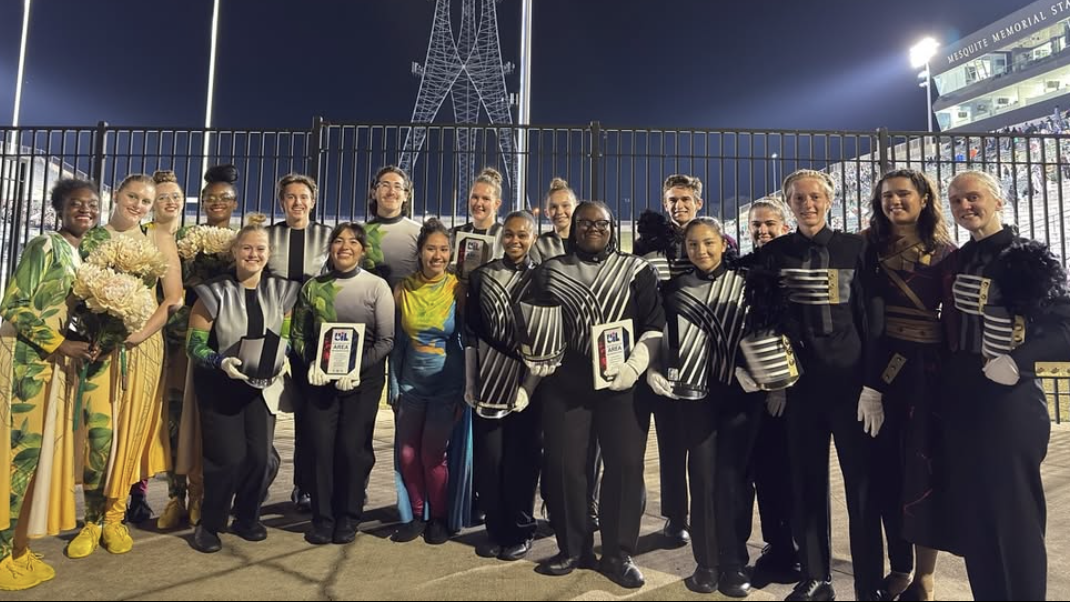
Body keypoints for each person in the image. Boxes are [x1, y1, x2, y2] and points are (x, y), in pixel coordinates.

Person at [744, 169, 884, 601]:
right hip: (800, 388)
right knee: (805, 483)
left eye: (814, 196)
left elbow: (872, 319)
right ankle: (817, 577)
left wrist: (873, 385)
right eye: (798, 198)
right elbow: (765, 320)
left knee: (862, 486)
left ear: (829, 199)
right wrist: (775, 383)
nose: (807, 204)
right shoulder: (776, 253)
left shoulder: (857, 248)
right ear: (789, 204)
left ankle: (868, 585)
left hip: (850, 386)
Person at [942, 170, 1070, 600]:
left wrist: (1019, 362)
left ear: (998, 201)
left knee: (1015, 518)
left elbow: (1064, 329)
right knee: (977, 521)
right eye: (956, 200)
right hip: (963, 403)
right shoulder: (958, 260)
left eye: (973, 197)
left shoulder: (1028, 257)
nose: (964, 207)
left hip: (1010, 404)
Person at [528, 201, 664, 589]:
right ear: (573, 227)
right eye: (584, 222)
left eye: (601, 223)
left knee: (624, 467)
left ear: (611, 227)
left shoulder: (636, 269)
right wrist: (536, 356)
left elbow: (654, 324)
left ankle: (619, 553)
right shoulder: (550, 271)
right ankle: (573, 548)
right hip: (566, 385)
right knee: (566, 466)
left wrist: (635, 367)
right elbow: (537, 324)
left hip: (621, 385)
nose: (593, 228)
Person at [67, 174, 182, 559]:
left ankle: (114, 518)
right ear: (116, 195)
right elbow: (76, 293)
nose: (138, 205)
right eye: (132, 196)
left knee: (130, 433)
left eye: (146, 201)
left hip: (144, 346)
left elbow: (173, 300)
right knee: (99, 433)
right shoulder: (93, 238)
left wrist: (139, 334)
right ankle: (91, 520)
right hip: (101, 347)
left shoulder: (158, 239)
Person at [646, 217, 759, 597]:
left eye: (708, 243)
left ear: (723, 244)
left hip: (739, 396)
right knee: (704, 478)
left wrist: (760, 375)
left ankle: (735, 562)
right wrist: (654, 369)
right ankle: (706, 563)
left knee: (734, 482)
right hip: (693, 398)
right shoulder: (673, 288)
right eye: (693, 245)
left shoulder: (746, 282)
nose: (701, 251)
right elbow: (662, 337)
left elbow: (764, 332)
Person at [0, 179, 99, 590]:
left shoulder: (82, 254)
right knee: (16, 456)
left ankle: (17, 544)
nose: (86, 211)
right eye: (77, 204)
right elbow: (14, 304)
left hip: (51, 364)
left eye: (92, 205)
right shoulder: (45, 245)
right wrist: (59, 344)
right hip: (25, 363)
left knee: (34, 457)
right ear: (60, 208)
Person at [863, 170, 956, 601]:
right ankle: (898, 566)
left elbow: (956, 323)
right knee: (885, 474)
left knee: (923, 471)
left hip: (926, 374)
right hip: (874, 369)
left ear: (923, 198)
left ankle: (925, 576)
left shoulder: (945, 253)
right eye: (887, 195)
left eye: (903, 194)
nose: (894, 202)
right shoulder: (866, 248)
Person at [186, 214, 300, 553]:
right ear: (234, 251)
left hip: (262, 387)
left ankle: (248, 517)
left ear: (269, 253)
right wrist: (219, 361)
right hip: (221, 388)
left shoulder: (283, 291)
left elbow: (289, 336)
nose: (253, 254)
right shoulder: (212, 292)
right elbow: (194, 343)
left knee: (261, 458)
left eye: (260, 248)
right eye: (247, 248)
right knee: (228, 458)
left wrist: (283, 359)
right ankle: (211, 523)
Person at [293, 222, 394, 545]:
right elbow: (298, 334)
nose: (345, 246)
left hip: (362, 380)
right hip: (320, 378)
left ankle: (349, 517)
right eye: (338, 241)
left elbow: (386, 339)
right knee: (320, 448)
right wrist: (312, 363)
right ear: (330, 248)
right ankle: (322, 519)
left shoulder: (376, 287)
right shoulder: (312, 287)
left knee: (352, 447)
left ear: (363, 250)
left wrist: (355, 368)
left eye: (353, 241)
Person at [156, 165, 240, 531]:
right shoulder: (186, 236)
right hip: (180, 339)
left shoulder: (242, 241)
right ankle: (176, 496)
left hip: (221, 342)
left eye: (224, 197)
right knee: (174, 419)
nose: (217, 202)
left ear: (234, 203)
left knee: (209, 423)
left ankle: (202, 495)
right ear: (202, 201)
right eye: (210, 197)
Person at [632, 173, 704, 549]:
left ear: (698, 203)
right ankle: (677, 517)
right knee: (671, 444)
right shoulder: (646, 248)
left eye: (685, 199)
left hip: (701, 355)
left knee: (702, 444)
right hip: (662, 352)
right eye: (672, 200)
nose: (679, 206)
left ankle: (706, 512)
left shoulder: (714, 242)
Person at [465, 211, 541, 562]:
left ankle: (521, 530)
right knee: (490, 460)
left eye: (522, 235)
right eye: (509, 234)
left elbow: (549, 339)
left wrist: (529, 385)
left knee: (521, 461)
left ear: (534, 238)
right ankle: (496, 529)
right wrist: (470, 381)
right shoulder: (481, 276)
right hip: (489, 383)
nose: (514, 241)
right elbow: (471, 334)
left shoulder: (545, 279)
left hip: (530, 387)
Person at [389, 219, 470, 545]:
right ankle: (417, 515)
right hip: (410, 386)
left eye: (443, 249)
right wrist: (393, 384)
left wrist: (465, 390)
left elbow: (466, 341)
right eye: (431, 248)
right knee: (407, 455)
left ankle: (439, 516)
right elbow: (397, 342)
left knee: (432, 455)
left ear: (451, 253)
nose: (437, 255)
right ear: (420, 251)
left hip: (445, 387)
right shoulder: (403, 289)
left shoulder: (457, 289)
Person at [266, 173, 333, 512]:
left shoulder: (327, 236)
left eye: (303, 196)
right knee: (266, 407)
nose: (297, 202)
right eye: (290, 197)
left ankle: (305, 484)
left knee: (310, 412)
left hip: (312, 335)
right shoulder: (267, 236)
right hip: (273, 333)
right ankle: (258, 477)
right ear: (282, 202)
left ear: (313, 200)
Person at [741, 197, 799, 584]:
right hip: (749, 388)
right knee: (763, 473)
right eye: (756, 225)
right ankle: (776, 547)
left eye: (769, 224)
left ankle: (795, 551)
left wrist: (781, 387)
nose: (762, 231)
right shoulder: (744, 267)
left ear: (784, 226)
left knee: (789, 474)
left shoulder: (795, 268)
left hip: (788, 389)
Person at [365, 166, 422, 290]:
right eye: (385, 185)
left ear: (406, 195)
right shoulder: (359, 233)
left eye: (397, 186)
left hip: (408, 305)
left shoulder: (419, 232)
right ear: (374, 193)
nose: (391, 192)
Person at [451, 167, 504, 267]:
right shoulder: (454, 234)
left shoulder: (505, 236)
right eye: (475, 197)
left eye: (485, 199)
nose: (479, 203)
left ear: (497, 204)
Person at [529, 177, 576, 263]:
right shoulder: (540, 245)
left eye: (565, 205)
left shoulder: (586, 241)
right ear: (547, 213)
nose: (559, 211)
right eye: (554, 207)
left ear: (575, 208)